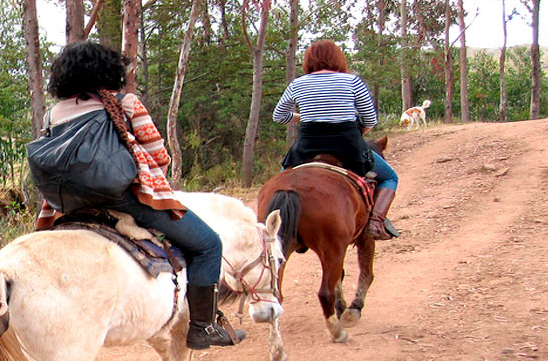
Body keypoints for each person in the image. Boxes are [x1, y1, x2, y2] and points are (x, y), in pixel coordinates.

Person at [35, 41, 244, 349]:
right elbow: (158, 157)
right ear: (108, 70)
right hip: (123, 199)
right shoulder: (125, 104)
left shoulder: (52, 115)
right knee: (208, 245)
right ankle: (203, 325)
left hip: (68, 208)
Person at [272, 40, 400, 240]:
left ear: (309, 61)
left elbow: (279, 116)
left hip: (307, 147)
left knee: (281, 182)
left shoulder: (297, 84)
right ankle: (375, 222)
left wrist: (301, 117)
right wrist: (357, 135)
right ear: (337, 58)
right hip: (348, 147)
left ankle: (271, 223)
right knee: (390, 177)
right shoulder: (352, 81)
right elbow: (370, 119)